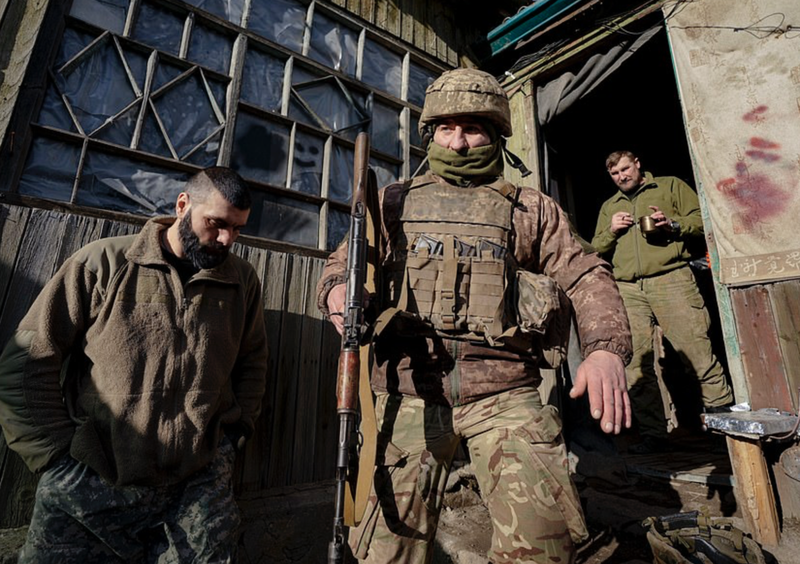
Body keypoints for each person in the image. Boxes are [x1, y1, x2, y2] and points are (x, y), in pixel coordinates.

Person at [316, 68, 633, 564]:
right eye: (446, 129)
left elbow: (586, 273)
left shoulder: (531, 208)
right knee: (384, 552)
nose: (458, 142)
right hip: (408, 393)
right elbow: (345, 262)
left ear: (496, 133)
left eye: (472, 128)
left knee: (544, 548)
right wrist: (338, 290)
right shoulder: (393, 201)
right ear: (431, 134)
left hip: (505, 392)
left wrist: (605, 350)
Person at [0, 167, 269, 563]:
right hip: (93, 481)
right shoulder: (105, 263)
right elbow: (27, 360)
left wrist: (230, 442)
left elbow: (253, 363)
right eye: (217, 223)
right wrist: (57, 457)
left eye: (238, 229)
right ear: (182, 205)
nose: (227, 239)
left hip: (197, 486)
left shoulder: (240, 281)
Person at [591, 151, 733, 455]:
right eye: (615, 174)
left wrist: (673, 224)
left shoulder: (669, 187)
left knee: (696, 352)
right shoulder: (609, 206)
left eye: (625, 169)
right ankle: (654, 434)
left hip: (671, 278)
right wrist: (610, 230)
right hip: (627, 287)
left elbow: (702, 220)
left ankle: (724, 430)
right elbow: (595, 248)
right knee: (636, 363)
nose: (622, 177)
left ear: (638, 163)